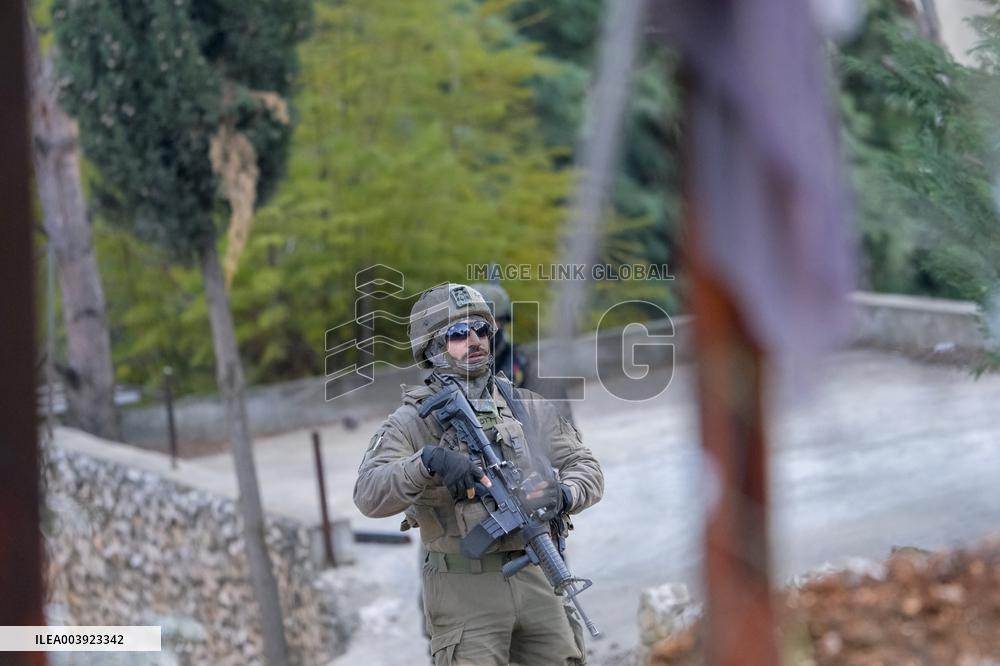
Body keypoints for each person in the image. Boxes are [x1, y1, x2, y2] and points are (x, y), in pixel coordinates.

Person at [354, 283, 604, 665]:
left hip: (537, 571)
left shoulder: (524, 405)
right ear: (433, 348)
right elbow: (368, 494)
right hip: (463, 587)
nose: (474, 340)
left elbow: (585, 466)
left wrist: (564, 493)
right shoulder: (411, 422)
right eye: (457, 333)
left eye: (481, 330)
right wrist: (425, 462)